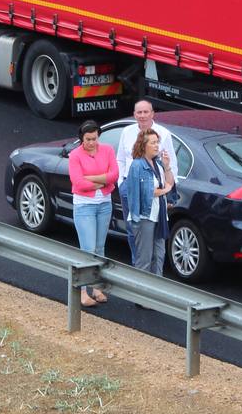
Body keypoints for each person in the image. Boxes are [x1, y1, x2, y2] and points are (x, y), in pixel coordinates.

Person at [67, 119, 116, 307]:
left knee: (100, 248)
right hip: (84, 205)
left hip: (104, 204)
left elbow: (114, 175)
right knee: (87, 250)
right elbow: (78, 183)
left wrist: (94, 180)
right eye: (88, 139)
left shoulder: (108, 150)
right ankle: (81, 291)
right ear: (82, 138)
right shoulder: (75, 155)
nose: (91, 143)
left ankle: (97, 287)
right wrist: (103, 181)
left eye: (94, 138)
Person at [120, 128, 175, 276]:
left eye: (158, 142)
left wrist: (167, 166)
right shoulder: (137, 165)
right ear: (143, 145)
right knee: (145, 258)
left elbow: (170, 183)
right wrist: (164, 190)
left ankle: (156, 294)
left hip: (160, 216)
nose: (157, 145)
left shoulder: (158, 164)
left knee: (159, 256)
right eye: (153, 143)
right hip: (144, 217)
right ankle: (140, 296)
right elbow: (147, 192)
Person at [116, 99, 178, 187]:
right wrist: (120, 182)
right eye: (139, 112)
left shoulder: (164, 133)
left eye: (146, 112)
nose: (142, 115)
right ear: (134, 114)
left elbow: (171, 161)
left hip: (154, 185)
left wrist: (171, 188)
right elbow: (120, 159)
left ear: (152, 114)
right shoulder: (126, 131)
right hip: (129, 183)